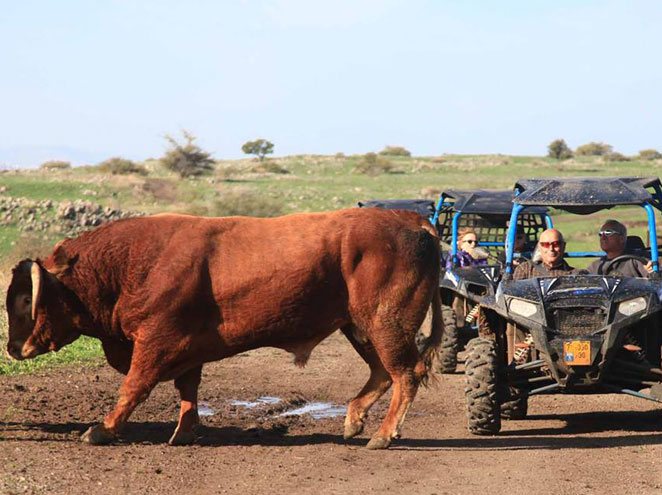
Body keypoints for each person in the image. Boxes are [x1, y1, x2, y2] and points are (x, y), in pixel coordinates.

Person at [587, 220, 652, 277]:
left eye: (608, 233)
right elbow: (584, 278)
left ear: (621, 238)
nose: (603, 238)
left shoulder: (636, 261)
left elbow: (654, 279)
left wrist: (650, 271)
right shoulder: (596, 265)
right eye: (600, 234)